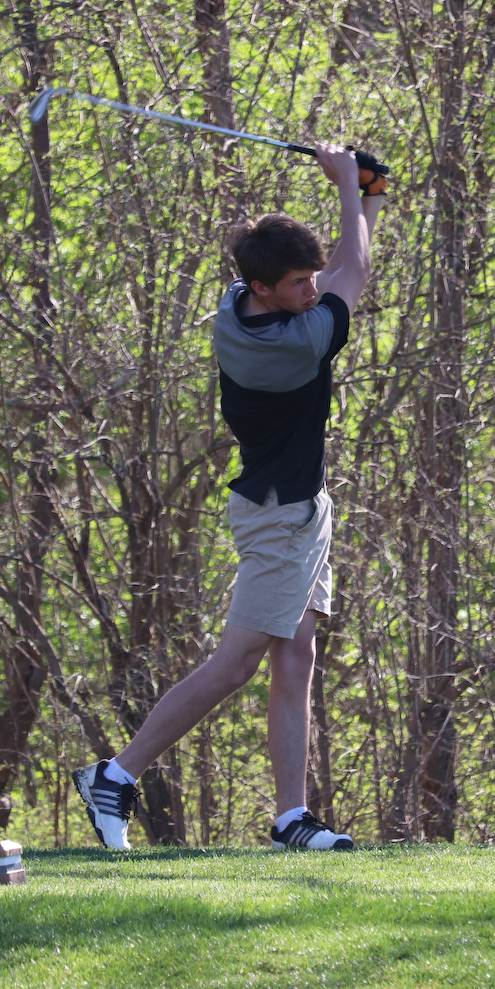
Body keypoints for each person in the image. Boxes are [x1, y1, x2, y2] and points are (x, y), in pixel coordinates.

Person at [73, 143, 387, 850]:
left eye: (310, 278)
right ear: (265, 289)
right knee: (238, 661)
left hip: (301, 507)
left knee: (297, 656)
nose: (311, 290)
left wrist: (368, 194)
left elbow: (340, 268)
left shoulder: (237, 303)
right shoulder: (292, 344)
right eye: (298, 283)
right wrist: (351, 187)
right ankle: (115, 776)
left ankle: (290, 818)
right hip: (280, 515)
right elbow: (356, 271)